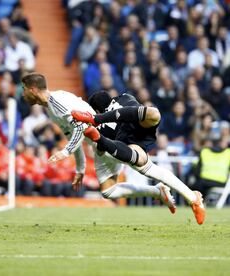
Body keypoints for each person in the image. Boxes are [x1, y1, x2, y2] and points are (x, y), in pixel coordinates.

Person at [21, 73, 175, 210]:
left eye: (24, 89)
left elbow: (81, 127)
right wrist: (80, 169)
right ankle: (159, 191)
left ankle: (182, 193)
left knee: (140, 167)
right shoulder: (52, 108)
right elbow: (71, 134)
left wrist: (66, 151)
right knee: (109, 190)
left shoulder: (57, 103)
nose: (23, 93)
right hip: (100, 141)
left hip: (104, 138)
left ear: (33, 89)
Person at [71, 90, 205, 224]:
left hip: (131, 131)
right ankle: (189, 197)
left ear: (96, 110)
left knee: (111, 188)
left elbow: (100, 152)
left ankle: (187, 197)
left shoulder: (110, 114)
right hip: (134, 137)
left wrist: (97, 127)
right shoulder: (124, 97)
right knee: (152, 120)